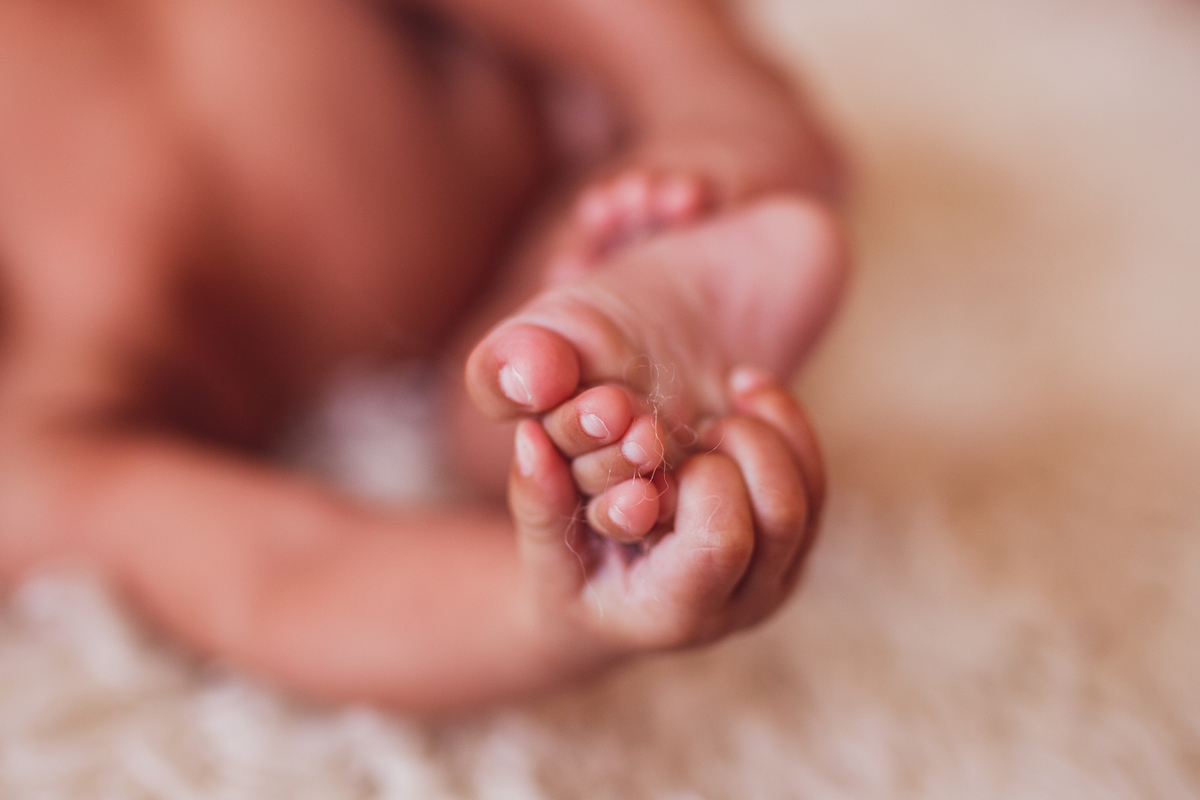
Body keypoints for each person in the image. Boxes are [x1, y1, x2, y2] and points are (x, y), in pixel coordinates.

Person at [0, 0, 847, 713]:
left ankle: (708, 88)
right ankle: (649, 308)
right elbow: (278, 576)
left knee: (524, 389)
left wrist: (685, 75)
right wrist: (543, 610)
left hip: (533, 35)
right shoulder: (25, 456)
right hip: (511, 275)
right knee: (519, 428)